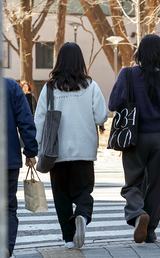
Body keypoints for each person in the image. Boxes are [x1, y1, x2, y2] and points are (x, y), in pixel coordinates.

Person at [109, 34, 160, 243]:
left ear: (140, 53)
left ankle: (137, 213)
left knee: (132, 182)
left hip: (134, 137)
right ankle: (150, 230)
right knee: (157, 185)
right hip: (159, 138)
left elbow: (113, 103)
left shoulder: (127, 74)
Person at [34, 42, 108, 249]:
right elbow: (102, 115)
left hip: (56, 152)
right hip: (84, 151)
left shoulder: (49, 88)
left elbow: (39, 120)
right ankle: (82, 217)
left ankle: (68, 239)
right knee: (83, 191)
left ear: (59, 61)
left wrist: (37, 149)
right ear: (80, 61)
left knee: (61, 196)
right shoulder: (90, 86)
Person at [5, 77, 38, 256]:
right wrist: (31, 151)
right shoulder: (11, 86)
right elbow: (25, 120)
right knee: (8, 207)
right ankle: (6, 247)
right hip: (7, 158)